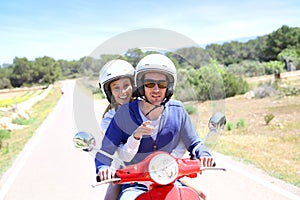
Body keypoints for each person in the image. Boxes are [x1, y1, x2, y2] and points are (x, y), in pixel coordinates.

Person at [95, 54, 213, 199]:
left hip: (168, 177)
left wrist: (204, 155)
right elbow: (106, 151)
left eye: (162, 84)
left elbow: (194, 142)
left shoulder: (178, 110)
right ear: (142, 85)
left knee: (196, 196)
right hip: (134, 181)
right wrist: (104, 167)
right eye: (150, 84)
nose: (156, 89)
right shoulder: (121, 115)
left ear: (168, 87)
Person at [98, 59, 135, 200]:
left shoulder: (145, 106)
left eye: (126, 85)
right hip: (125, 168)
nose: (123, 92)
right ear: (109, 92)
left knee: (195, 193)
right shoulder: (108, 119)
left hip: (157, 165)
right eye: (116, 88)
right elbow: (121, 152)